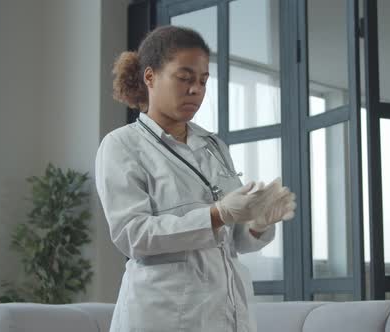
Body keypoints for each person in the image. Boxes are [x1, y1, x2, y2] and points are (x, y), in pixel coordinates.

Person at [95, 25, 297, 332]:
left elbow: (232, 241)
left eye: (203, 81)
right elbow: (133, 235)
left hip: (226, 314)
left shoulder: (214, 146)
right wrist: (217, 214)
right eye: (185, 78)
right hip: (162, 316)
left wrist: (258, 224)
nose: (196, 90)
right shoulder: (122, 145)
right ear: (150, 77)